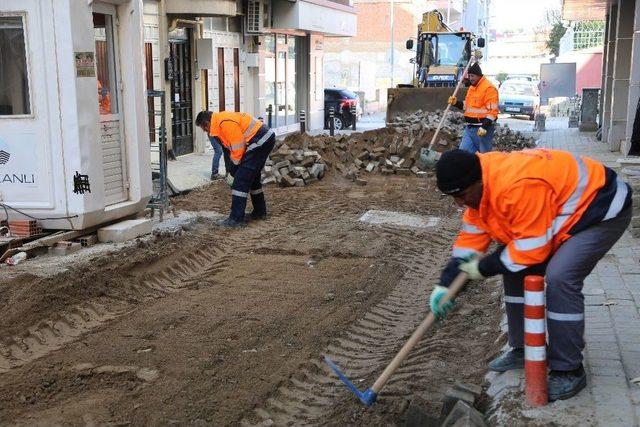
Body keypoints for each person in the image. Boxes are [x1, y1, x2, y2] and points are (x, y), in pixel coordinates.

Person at [430, 148, 632, 401]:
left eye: (461, 195)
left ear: (478, 181)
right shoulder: (478, 188)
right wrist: (446, 284)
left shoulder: (517, 186)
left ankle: (569, 368)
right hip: (563, 212)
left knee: (560, 277)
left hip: (601, 208)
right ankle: (523, 347)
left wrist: (483, 268)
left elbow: (533, 249)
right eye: (452, 197)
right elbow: (470, 242)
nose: (459, 202)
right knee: (513, 265)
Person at [195, 111, 275, 227]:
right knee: (252, 179)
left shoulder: (224, 123)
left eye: (204, 128)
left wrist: (233, 173)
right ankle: (259, 212)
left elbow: (238, 149)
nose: (206, 131)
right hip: (263, 138)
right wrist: (230, 171)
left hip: (259, 140)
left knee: (240, 181)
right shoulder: (220, 124)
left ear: (207, 123)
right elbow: (229, 151)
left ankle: (236, 220)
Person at [447, 63, 498, 153]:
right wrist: (456, 103)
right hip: (469, 128)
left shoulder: (489, 88)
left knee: (484, 157)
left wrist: (484, 126)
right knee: (463, 155)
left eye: (472, 76)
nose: (470, 78)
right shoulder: (472, 88)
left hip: (482, 129)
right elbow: (468, 106)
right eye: (469, 76)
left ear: (479, 75)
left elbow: (493, 112)